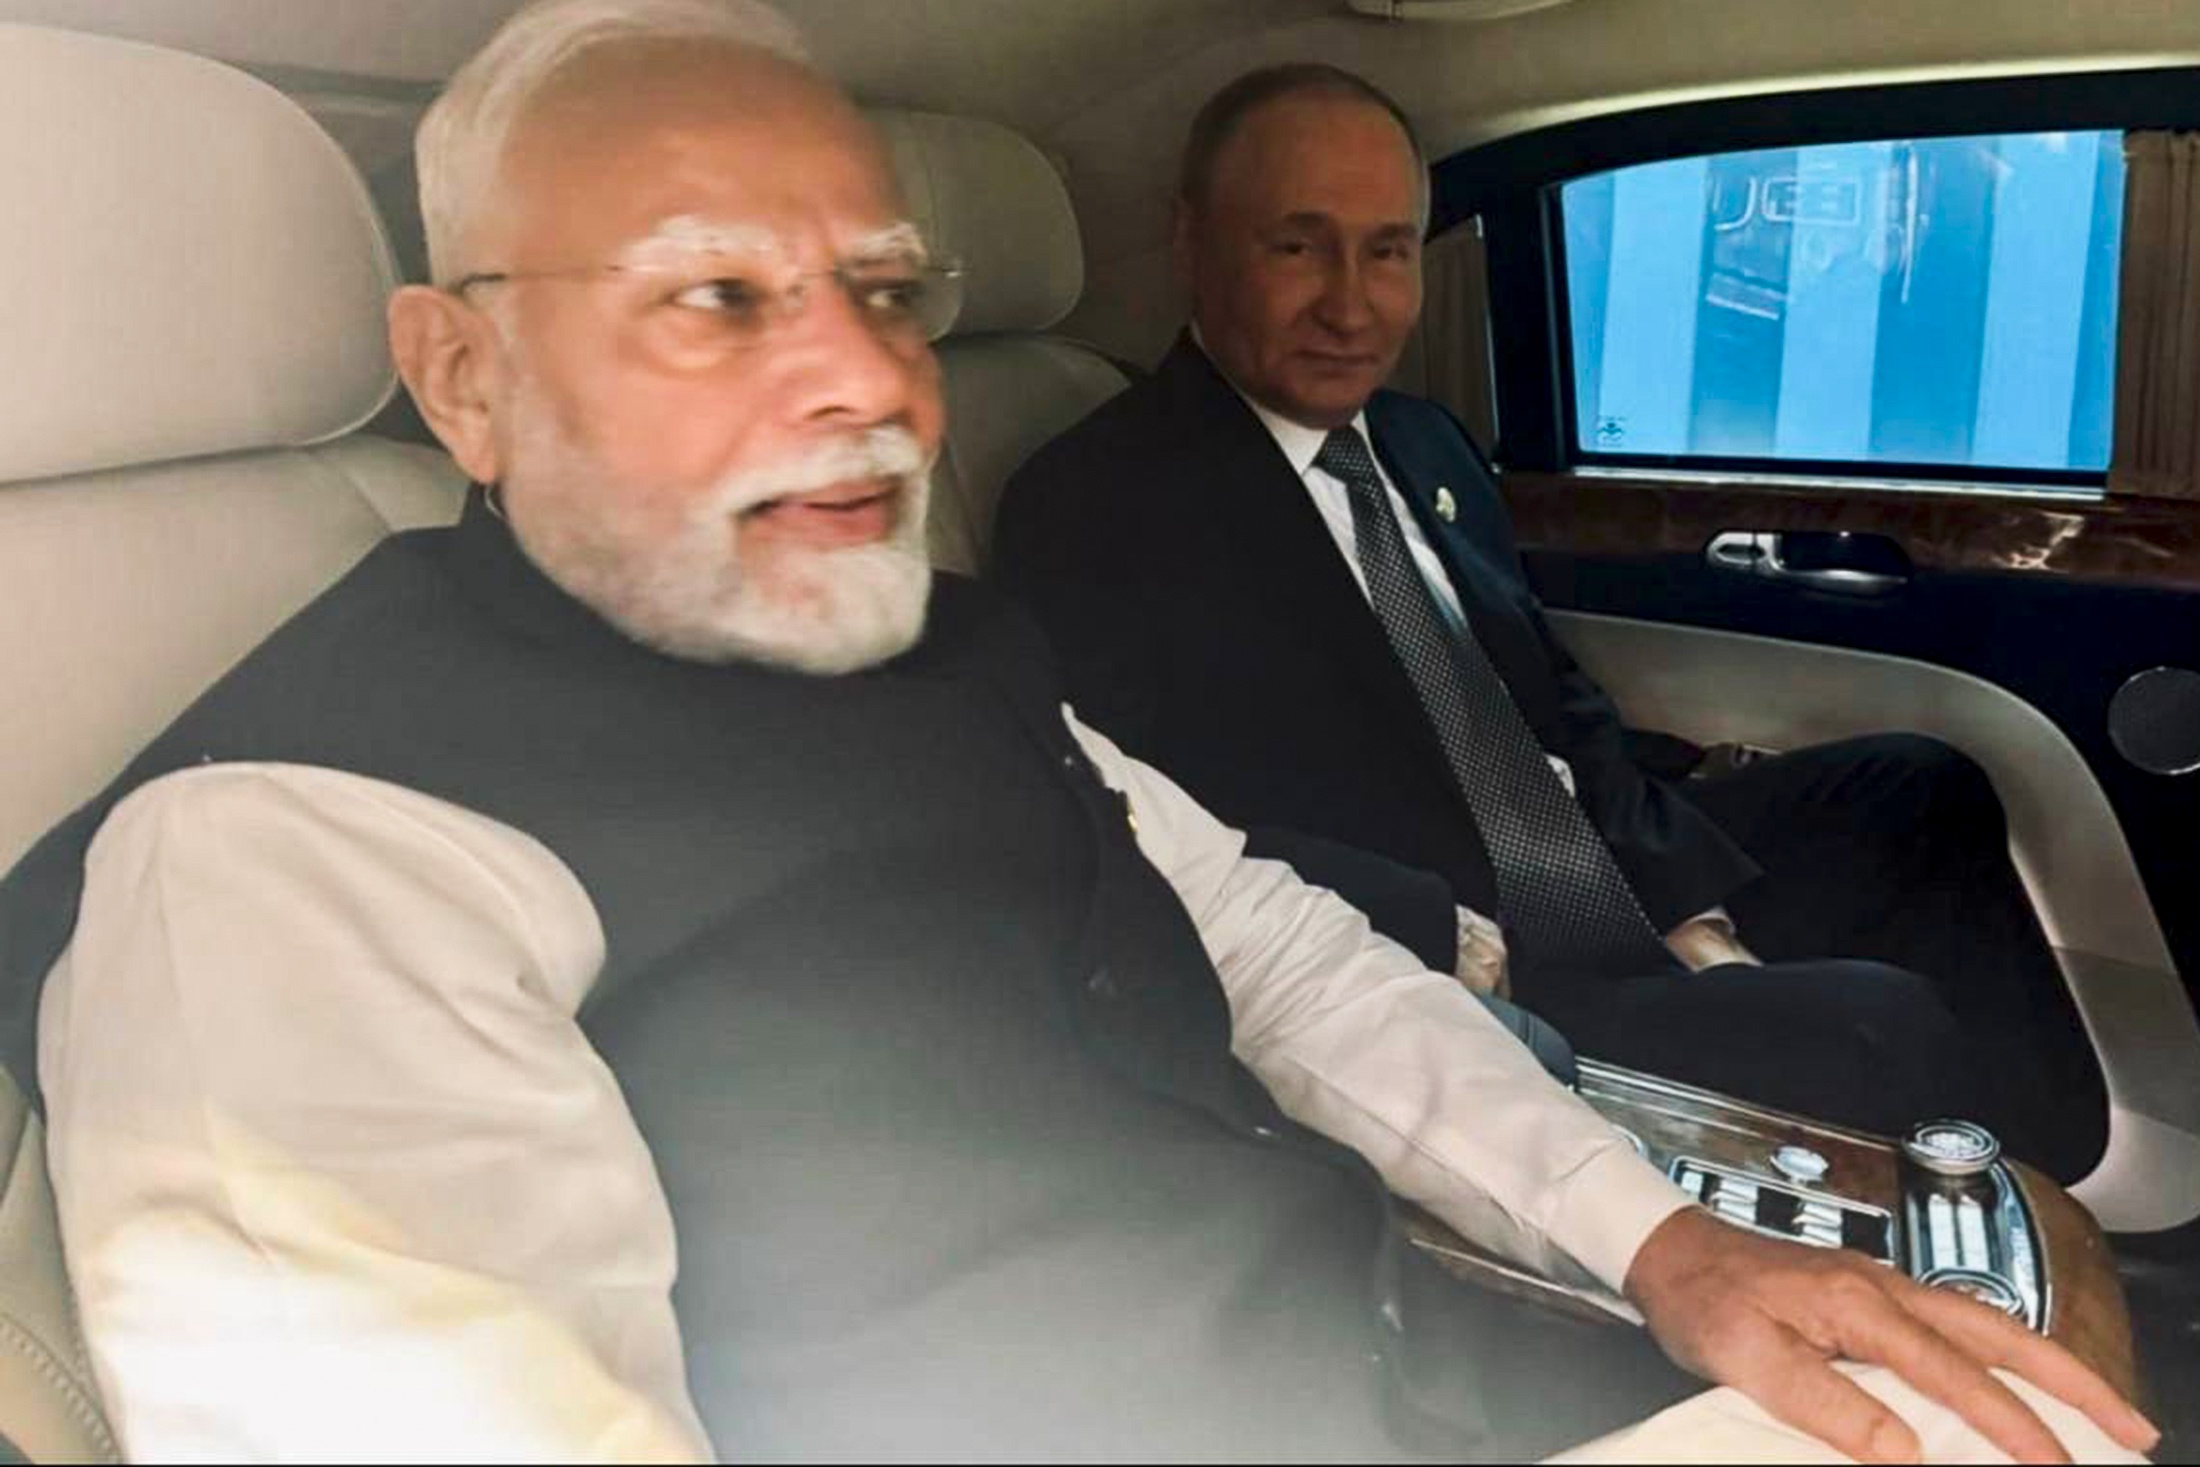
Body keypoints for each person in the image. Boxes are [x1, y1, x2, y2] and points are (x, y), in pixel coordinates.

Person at [0, 4, 2153, 1461]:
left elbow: (1275, 948)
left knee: (2016, 1294)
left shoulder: (935, 647)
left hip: (1387, 1336)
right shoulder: (287, 857)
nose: (872, 382)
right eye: (714, 297)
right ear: (460, 377)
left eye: (885, 291)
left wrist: (1657, 1240)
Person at [991, 63, 2107, 1183]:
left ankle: (2046, 1180)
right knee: (1876, 1024)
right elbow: (1141, 826)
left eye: (1387, 252)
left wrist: (1685, 907)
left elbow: (1550, 697)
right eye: (1298, 246)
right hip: (1464, 961)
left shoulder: (1418, 440)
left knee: (1918, 788)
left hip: (1580, 860)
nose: (1352, 306)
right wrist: (1445, 932)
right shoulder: (1094, 505)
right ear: (1192, 243)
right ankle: (1989, 1236)